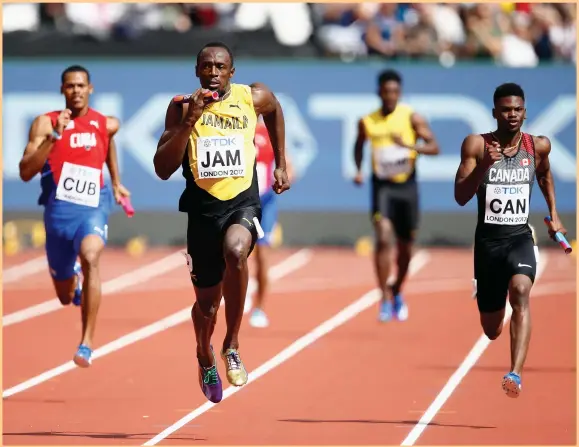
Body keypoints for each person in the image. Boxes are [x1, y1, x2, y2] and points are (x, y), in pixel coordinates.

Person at [153, 41, 291, 404]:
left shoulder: (252, 97)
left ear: (232, 71)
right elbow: (163, 168)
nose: (213, 72)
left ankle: (232, 343)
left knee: (237, 250)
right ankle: (204, 354)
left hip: (242, 202)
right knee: (206, 307)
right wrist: (188, 122)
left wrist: (280, 162)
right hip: (201, 211)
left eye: (220, 66)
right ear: (196, 70)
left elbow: (275, 109)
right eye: (206, 66)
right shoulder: (181, 107)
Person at [454, 82, 567, 398]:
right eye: (506, 110)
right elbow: (461, 195)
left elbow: (544, 175)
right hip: (488, 246)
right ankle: (488, 295)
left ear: (525, 112)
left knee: (520, 291)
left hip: (520, 238)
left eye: (517, 109)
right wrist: (485, 168)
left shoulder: (537, 146)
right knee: (491, 330)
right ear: (494, 113)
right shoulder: (477, 146)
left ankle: (514, 374)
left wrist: (554, 213)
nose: (512, 115)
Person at [18, 65, 130, 367]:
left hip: (94, 207)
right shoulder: (45, 123)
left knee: (91, 255)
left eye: (81, 86)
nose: (76, 91)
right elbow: (26, 171)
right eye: (70, 86)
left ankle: (87, 343)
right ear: (62, 90)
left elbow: (109, 146)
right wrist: (55, 136)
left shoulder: (105, 124)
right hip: (58, 214)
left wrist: (116, 182)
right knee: (65, 297)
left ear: (90, 89)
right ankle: (75, 283)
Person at [353, 69, 439, 322]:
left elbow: (434, 147)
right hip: (382, 187)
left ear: (399, 93)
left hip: (407, 188)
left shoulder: (412, 118)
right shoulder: (368, 121)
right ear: (379, 92)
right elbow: (358, 145)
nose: (390, 96)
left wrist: (410, 146)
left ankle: (397, 288)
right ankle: (382, 297)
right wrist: (358, 169)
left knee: (406, 248)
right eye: (386, 91)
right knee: (382, 238)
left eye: (395, 92)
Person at [249, 119, 294, 328]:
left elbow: (289, 167)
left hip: (265, 203)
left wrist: (284, 180)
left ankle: (260, 308)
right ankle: (237, 295)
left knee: (262, 256)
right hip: (239, 202)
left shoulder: (270, 134)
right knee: (233, 252)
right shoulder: (236, 129)